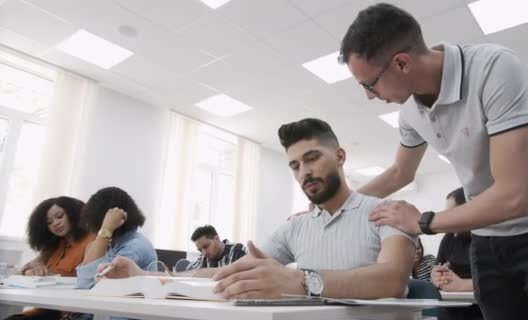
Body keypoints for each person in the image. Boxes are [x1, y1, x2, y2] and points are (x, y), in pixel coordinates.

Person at [340, 3, 528, 320]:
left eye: (369, 83)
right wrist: (340, 206)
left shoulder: (494, 69)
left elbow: (514, 197)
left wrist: (423, 222)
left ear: (402, 63)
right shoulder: (409, 112)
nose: (369, 95)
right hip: (489, 243)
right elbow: (399, 172)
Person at [98, 118, 416, 300]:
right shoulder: (295, 227)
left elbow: (391, 280)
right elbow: (229, 272)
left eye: (312, 158)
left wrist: (301, 282)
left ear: (341, 156)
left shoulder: (390, 211)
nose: (303, 171)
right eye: (294, 165)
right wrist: (147, 275)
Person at [5, 197, 95, 320]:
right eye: (49, 222)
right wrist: (30, 271)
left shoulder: (93, 240)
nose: (55, 224)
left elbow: (89, 281)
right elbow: (22, 271)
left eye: (59, 216)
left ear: (74, 214)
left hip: (73, 311)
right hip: (49, 308)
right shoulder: (53, 246)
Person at [75, 186, 157, 289]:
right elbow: (83, 279)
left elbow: (87, 285)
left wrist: (106, 228)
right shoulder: (117, 243)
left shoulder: (133, 247)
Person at [432, 187, 483, 320]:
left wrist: (462, 285)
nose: (449, 219)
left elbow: (502, 280)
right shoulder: (449, 237)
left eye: (453, 213)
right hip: (451, 306)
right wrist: (437, 277)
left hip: (482, 307)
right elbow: (437, 268)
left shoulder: (487, 237)